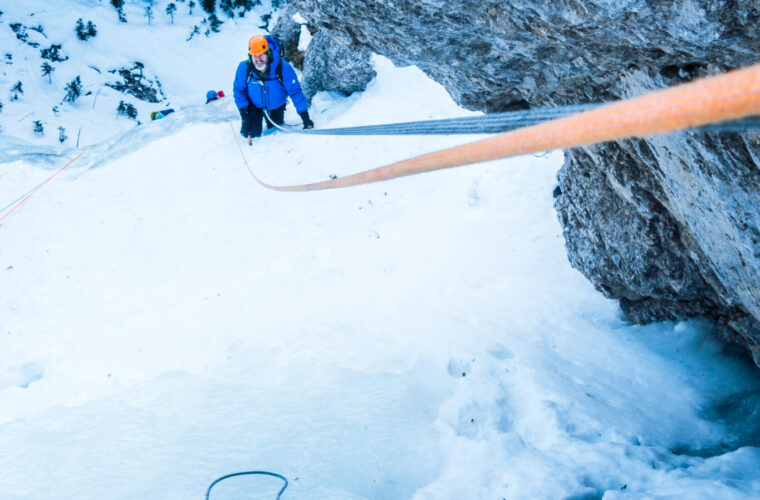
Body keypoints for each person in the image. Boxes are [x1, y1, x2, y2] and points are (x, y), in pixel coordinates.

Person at [233, 34, 314, 140]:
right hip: (253, 105)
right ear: (250, 56)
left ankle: (272, 117)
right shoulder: (244, 68)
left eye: (261, 55)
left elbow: (295, 92)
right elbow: (239, 91)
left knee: (275, 128)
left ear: (268, 53)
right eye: (254, 55)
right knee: (250, 133)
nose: (258, 59)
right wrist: (244, 114)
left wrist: (305, 116)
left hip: (276, 105)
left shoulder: (283, 67)